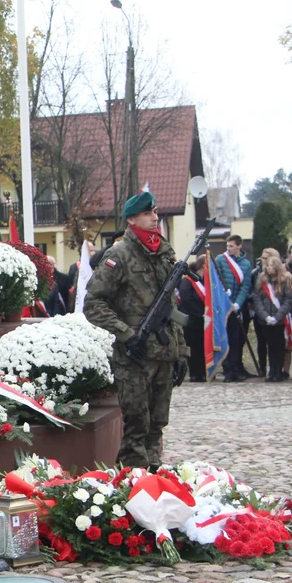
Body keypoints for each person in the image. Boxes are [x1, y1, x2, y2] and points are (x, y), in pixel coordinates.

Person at [85, 191, 188, 469]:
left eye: (155, 212)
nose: (155, 218)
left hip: (164, 353)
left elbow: (171, 309)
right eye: (147, 213)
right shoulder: (119, 255)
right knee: (137, 429)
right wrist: (126, 334)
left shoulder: (164, 253)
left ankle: (154, 482)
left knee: (157, 426)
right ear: (132, 219)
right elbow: (93, 304)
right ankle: (132, 489)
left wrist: (181, 353)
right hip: (135, 357)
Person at [214, 235, 252, 382]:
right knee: (225, 338)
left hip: (236, 306)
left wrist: (238, 303)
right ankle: (227, 370)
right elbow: (216, 281)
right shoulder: (220, 260)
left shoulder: (246, 264)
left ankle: (236, 369)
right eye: (227, 246)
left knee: (236, 339)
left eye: (231, 246)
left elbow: (245, 286)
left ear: (239, 246)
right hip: (223, 307)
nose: (228, 249)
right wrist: (224, 297)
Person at [251, 254, 292, 382]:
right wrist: (265, 316)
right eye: (268, 266)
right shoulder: (261, 280)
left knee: (279, 346)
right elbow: (257, 299)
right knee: (270, 345)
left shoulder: (284, 280)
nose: (269, 268)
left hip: (279, 319)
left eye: (272, 266)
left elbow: (288, 300)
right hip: (265, 319)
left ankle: (278, 371)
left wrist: (277, 316)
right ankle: (271, 371)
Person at [178, 257, 207, 382]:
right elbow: (186, 299)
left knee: (201, 348)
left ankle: (202, 372)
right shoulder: (188, 280)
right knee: (193, 348)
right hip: (191, 320)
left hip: (203, 320)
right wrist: (200, 313)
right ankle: (194, 373)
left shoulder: (205, 281)